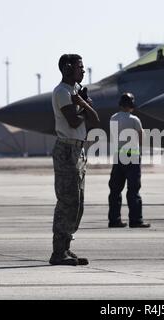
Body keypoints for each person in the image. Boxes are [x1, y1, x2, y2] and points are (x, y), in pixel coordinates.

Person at [49, 54, 100, 266]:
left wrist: (83, 103)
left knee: (77, 202)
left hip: (78, 150)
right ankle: (58, 252)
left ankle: (66, 247)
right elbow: (72, 121)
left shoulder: (74, 92)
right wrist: (83, 106)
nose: (83, 71)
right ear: (68, 69)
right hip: (67, 149)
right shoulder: (62, 92)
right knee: (67, 201)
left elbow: (91, 118)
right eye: (80, 67)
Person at [108, 93, 150, 229]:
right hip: (132, 155)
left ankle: (114, 220)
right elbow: (140, 136)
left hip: (118, 155)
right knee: (133, 189)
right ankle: (136, 220)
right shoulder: (134, 119)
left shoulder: (113, 118)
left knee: (115, 190)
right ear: (131, 106)